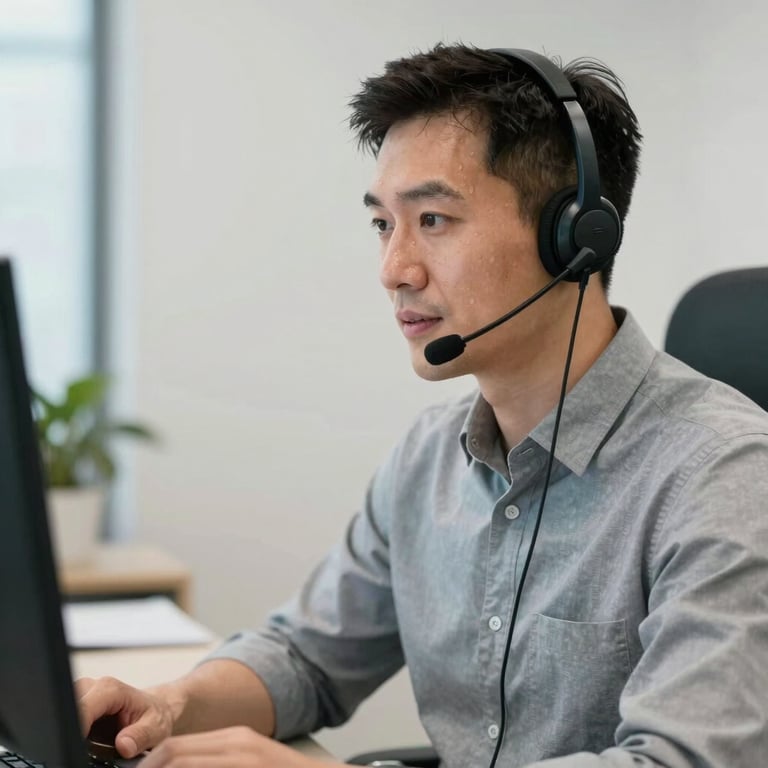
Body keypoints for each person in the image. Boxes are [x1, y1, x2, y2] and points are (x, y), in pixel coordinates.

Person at [77, 44, 768, 768]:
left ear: (574, 238)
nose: (393, 270)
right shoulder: (429, 456)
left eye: (432, 219)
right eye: (384, 224)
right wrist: (168, 707)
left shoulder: (725, 478)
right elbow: (306, 657)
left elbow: (680, 761)